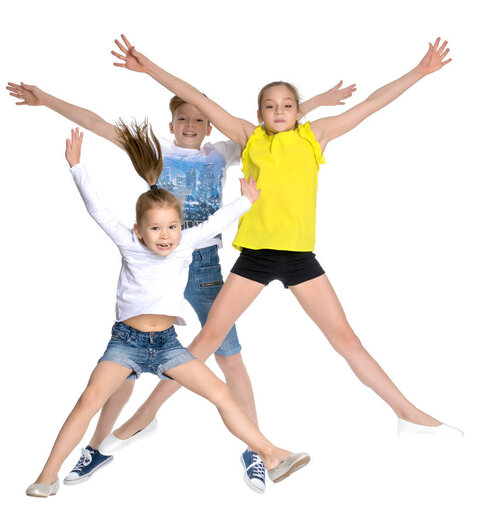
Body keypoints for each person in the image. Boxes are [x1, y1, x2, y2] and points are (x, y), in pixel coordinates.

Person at [101, 35, 462, 445]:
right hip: (255, 257)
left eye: (287, 105)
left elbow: (372, 104)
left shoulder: (315, 136)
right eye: (269, 106)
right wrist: (150, 68)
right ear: (259, 113)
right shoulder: (248, 136)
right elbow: (192, 96)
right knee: (206, 341)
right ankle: (142, 419)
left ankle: (407, 413)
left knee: (346, 339)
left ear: (297, 110)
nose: (278, 111)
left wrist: (419, 71)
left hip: (298, 258)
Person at [7, 78, 355, 493]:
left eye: (200, 119)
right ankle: (97, 446)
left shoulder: (223, 152)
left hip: (202, 260)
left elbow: (274, 126)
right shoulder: (155, 152)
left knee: (229, 355)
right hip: (153, 265)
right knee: (124, 368)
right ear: (170, 124)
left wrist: (314, 103)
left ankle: (256, 449)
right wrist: (45, 99)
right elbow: (96, 123)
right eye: (182, 118)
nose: (190, 124)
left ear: (211, 127)